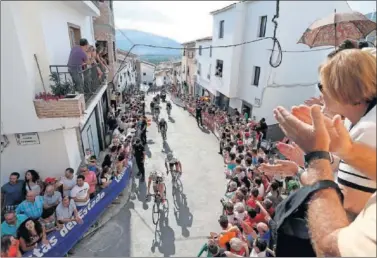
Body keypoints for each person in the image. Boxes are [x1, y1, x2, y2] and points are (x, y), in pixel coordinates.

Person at [273, 104, 376, 256]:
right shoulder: (364, 126)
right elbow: (337, 172)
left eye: (322, 86)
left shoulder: (369, 129)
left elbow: (330, 249)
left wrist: (316, 156)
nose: (322, 104)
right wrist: (346, 150)